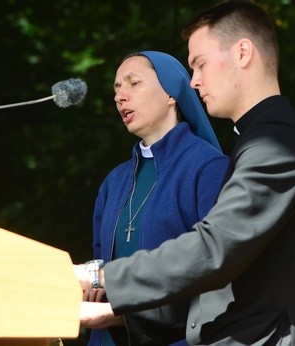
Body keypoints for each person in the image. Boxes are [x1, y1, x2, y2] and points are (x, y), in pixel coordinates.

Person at [74, 0, 295, 345]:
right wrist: (118, 314)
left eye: (200, 64)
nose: (193, 82)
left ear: (243, 53)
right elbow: (227, 281)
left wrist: (96, 277)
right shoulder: (260, 139)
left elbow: (214, 249)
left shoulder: (280, 139)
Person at [84, 51, 229, 346]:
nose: (120, 96)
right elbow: (100, 264)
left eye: (133, 83)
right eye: (116, 88)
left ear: (171, 94)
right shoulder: (114, 182)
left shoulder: (208, 168)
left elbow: (215, 273)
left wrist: (122, 314)